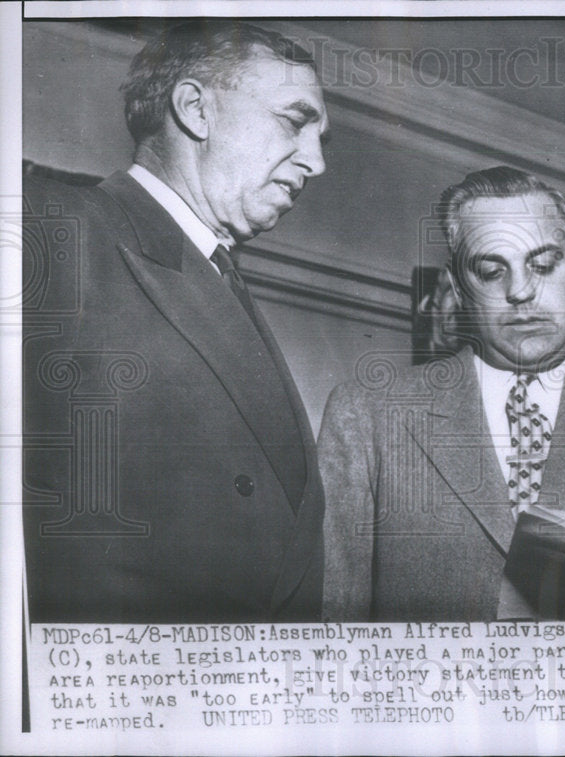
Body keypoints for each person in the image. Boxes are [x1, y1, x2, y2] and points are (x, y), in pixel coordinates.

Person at [318, 166, 565, 621]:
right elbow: (334, 629)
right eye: (492, 272)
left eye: (543, 265)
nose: (520, 291)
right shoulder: (367, 415)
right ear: (459, 291)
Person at [21, 21, 329, 622]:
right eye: (295, 121)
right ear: (195, 109)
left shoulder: (223, 279)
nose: (316, 162)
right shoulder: (44, 228)